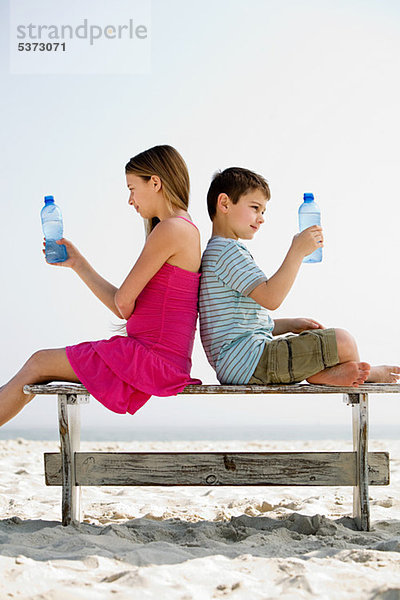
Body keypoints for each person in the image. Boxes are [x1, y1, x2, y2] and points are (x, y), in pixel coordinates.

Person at [0, 145, 202, 427]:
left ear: (155, 182)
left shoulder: (171, 229)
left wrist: (123, 300)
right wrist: (78, 263)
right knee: (38, 365)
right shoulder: (181, 228)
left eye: (132, 188)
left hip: (151, 359)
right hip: (155, 358)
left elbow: (122, 303)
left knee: (38, 364)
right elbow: (124, 307)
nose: (130, 200)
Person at [199, 166, 400, 387]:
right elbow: (271, 298)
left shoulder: (218, 252)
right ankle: (351, 374)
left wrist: (289, 324)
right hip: (252, 361)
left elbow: (242, 324)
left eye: (263, 211)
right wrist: (296, 251)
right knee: (344, 342)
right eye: (255, 208)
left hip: (241, 363)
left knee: (340, 343)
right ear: (225, 203)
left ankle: (330, 373)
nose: (261, 218)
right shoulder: (227, 252)